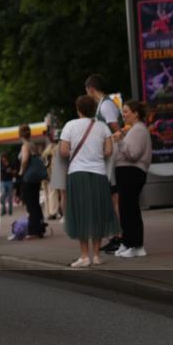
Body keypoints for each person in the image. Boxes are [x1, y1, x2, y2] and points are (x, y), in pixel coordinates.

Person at [61, 95, 120, 267]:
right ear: (94, 109)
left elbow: (64, 151)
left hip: (77, 174)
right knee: (98, 213)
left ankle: (84, 256)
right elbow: (109, 151)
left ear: (78, 109)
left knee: (81, 213)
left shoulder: (69, 126)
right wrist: (95, 155)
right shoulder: (102, 127)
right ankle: (96, 255)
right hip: (99, 174)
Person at [85, 74, 123, 253]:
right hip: (108, 156)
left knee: (113, 197)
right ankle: (116, 235)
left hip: (112, 156)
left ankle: (118, 236)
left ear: (91, 89)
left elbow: (116, 130)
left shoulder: (106, 105)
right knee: (110, 197)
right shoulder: (104, 105)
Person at [111, 100, 152, 257]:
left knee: (129, 208)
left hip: (132, 172)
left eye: (126, 111)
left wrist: (120, 141)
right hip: (128, 173)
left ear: (136, 113)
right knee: (126, 208)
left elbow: (133, 154)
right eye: (123, 111)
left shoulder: (139, 130)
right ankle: (128, 243)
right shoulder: (135, 129)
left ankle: (136, 245)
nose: (124, 114)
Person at [17, 123, 47, 239]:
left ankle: (34, 230)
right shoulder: (33, 145)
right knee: (36, 202)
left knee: (31, 204)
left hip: (28, 178)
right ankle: (40, 227)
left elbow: (25, 160)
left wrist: (21, 171)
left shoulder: (25, 146)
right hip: (36, 178)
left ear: (20, 134)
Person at [44, 121, 68, 221]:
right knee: (60, 194)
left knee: (55, 194)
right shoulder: (58, 147)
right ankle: (59, 213)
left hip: (52, 173)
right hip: (56, 173)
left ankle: (56, 213)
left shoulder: (50, 148)